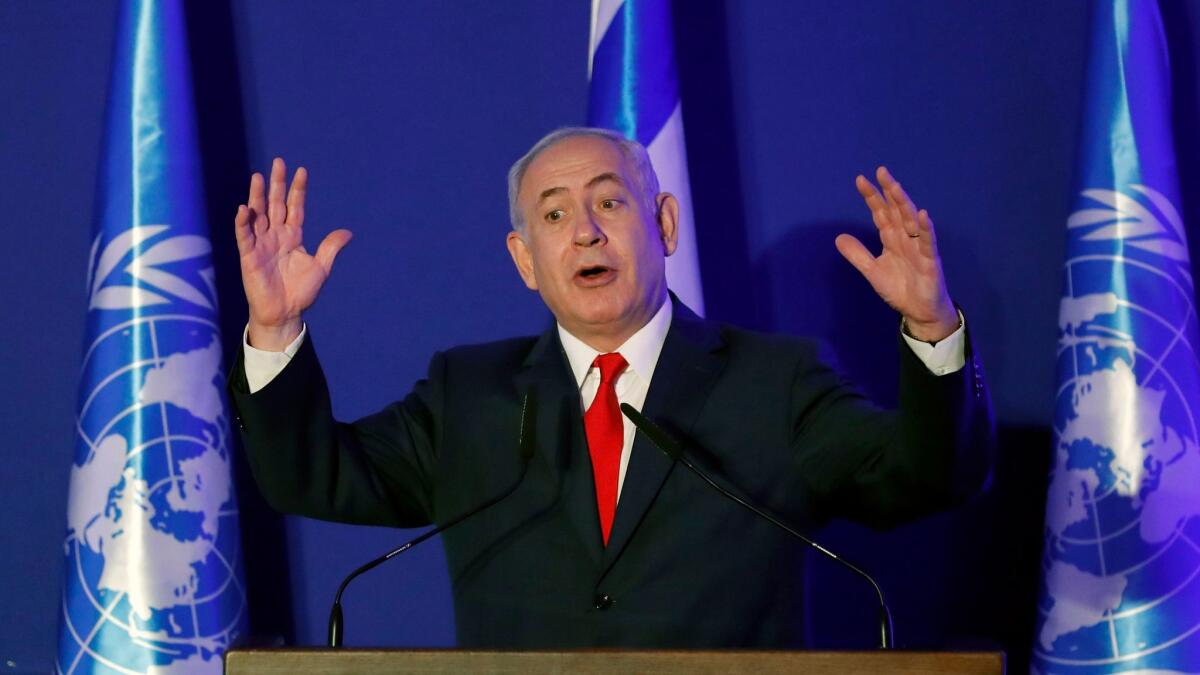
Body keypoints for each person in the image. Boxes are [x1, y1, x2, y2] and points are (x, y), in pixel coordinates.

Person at [228, 127, 993, 647]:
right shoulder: (468, 395)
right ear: (525, 260)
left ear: (663, 223)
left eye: (609, 201)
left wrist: (931, 327)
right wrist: (274, 330)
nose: (585, 231)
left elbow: (924, 478)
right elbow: (310, 476)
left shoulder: (773, 381)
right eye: (554, 215)